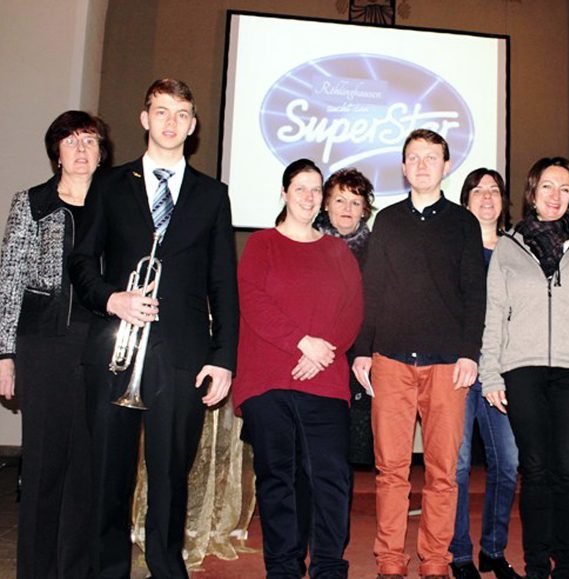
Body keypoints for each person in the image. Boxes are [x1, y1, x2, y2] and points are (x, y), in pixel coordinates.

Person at [69, 78, 239, 578]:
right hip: (114, 349)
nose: (170, 122)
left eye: (181, 113)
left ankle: (168, 569)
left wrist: (223, 356)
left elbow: (222, 283)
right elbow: (81, 263)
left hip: (182, 354)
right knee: (108, 476)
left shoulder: (213, 195)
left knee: (170, 477)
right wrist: (112, 298)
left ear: (192, 124)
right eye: (161, 111)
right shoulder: (109, 183)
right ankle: (107, 571)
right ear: (145, 118)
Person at [480, 157, 569, 579]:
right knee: (537, 468)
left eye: (564, 188)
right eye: (547, 187)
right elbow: (494, 313)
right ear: (533, 192)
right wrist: (491, 372)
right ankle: (537, 565)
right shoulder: (509, 244)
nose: (556, 196)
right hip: (521, 369)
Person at [352, 129, 487, 579]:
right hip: (390, 360)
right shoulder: (387, 221)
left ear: (446, 165)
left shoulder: (464, 223)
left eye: (432, 157)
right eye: (415, 157)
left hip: (448, 365)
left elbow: (475, 293)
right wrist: (362, 351)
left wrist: (470, 352)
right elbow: (372, 290)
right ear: (404, 167)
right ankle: (390, 560)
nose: (423, 164)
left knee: (443, 472)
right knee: (390, 469)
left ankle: (435, 561)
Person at [233, 158, 363, 578]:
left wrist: (322, 351)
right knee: (278, 479)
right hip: (267, 379)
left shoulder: (337, 251)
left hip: (324, 381)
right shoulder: (261, 244)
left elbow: (352, 311)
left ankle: (329, 567)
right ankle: (284, 569)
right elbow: (252, 300)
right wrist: (301, 342)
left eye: (315, 190)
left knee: (331, 478)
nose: (308, 197)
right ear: (285, 194)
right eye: (300, 188)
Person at [0, 111, 108, 579]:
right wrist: (4, 355)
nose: (81, 149)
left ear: (102, 153)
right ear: (56, 152)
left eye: (89, 141)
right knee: (44, 468)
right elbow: (10, 281)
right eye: (70, 141)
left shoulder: (119, 206)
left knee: (88, 472)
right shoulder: (32, 204)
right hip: (43, 347)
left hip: (102, 349)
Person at [449, 168, 520, 579]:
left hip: (502, 373)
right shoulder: (453, 248)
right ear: (466, 200)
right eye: (478, 191)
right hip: (459, 369)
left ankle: (493, 549)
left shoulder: (515, 250)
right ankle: (459, 555)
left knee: (508, 462)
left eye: (494, 190)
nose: (487, 197)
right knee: (457, 467)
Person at [315, 167, 377, 466]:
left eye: (355, 202)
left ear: (365, 209)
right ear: (326, 203)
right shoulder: (306, 242)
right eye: (340, 200)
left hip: (357, 360)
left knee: (346, 455)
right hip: (310, 357)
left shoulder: (379, 250)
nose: (347, 209)